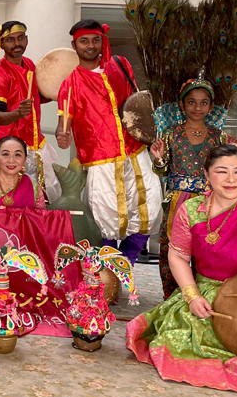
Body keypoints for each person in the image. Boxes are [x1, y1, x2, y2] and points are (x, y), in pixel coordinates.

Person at [127, 145, 237, 392]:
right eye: (221, 171)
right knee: (184, 341)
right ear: (206, 174)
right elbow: (178, 256)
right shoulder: (191, 210)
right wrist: (191, 295)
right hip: (207, 290)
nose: (231, 179)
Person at [55, 20, 162, 266]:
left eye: (95, 39)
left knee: (149, 209)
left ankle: (126, 261)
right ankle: (108, 273)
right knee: (107, 218)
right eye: (84, 41)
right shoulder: (70, 85)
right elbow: (64, 128)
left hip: (135, 151)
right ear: (75, 45)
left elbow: (136, 102)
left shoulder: (120, 65)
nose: (91, 46)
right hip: (100, 158)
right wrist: (63, 136)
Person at [150, 78, 237, 298]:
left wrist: (233, 152)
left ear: (210, 106)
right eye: (191, 102)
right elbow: (162, 172)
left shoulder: (218, 136)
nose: (197, 108)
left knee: (206, 252)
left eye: (203, 102)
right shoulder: (170, 134)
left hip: (208, 204)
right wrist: (159, 159)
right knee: (172, 251)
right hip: (176, 204)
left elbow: (225, 171)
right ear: (182, 105)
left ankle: (202, 298)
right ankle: (172, 299)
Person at [0, 21, 60, 201]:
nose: (17, 43)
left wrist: (57, 91)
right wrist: (18, 113)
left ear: (27, 40)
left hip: (35, 145)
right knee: (10, 201)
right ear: (1, 44)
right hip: (10, 148)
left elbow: (38, 97)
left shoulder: (30, 64)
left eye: (21, 38)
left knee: (40, 201)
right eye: (10, 40)